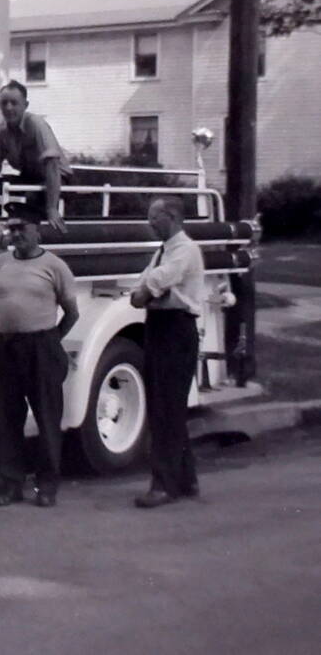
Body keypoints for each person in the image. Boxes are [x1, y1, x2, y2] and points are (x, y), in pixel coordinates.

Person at [0, 201, 79, 508]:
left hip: (42, 347)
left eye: (22, 228)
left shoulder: (55, 266)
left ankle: (47, 486)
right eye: (11, 228)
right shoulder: (1, 263)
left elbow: (72, 312)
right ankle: (10, 484)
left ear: (37, 231)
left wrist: (50, 341)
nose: (16, 234)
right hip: (7, 347)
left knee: (47, 418)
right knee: (6, 418)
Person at [130, 196, 205, 508]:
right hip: (159, 327)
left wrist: (147, 292)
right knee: (164, 406)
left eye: (155, 217)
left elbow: (155, 282)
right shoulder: (162, 252)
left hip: (176, 329)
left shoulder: (185, 250)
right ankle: (185, 479)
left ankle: (163, 484)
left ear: (172, 217)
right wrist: (146, 292)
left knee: (166, 409)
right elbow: (141, 287)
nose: (150, 223)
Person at [0, 81, 72, 233]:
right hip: (29, 177)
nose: (8, 108)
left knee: (31, 195)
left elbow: (52, 164)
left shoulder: (36, 124)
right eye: (4, 103)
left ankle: (29, 236)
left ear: (25, 105)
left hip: (57, 178)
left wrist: (52, 208)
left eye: (14, 103)